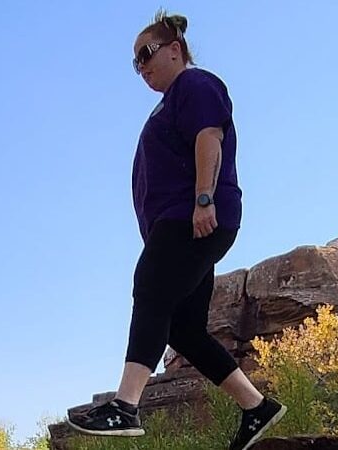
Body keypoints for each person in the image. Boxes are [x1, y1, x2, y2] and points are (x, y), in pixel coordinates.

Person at [65, 11, 287, 450]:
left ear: (175, 49)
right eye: (135, 62)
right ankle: (256, 405)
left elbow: (210, 136)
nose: (142, 67)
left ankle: (126, 406)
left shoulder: (195, 84)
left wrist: (203, 198)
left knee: (149, 289)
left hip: (192, 217)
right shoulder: (168, 103)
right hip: (184, 223)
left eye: (146, 55)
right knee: (184, 330)